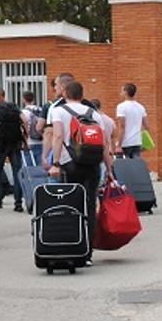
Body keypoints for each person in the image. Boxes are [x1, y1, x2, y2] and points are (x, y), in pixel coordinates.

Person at [47, 79, 117, 266]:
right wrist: (109, 169)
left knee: (70, 205)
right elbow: (104, 144)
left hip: (69, 163)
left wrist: (54, 162)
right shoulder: (93, 112)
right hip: (92, 164)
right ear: (81, 94)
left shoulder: (59, 111)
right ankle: (88, 253)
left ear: (65, 93)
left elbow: (58, 136)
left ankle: (73, 247)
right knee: (90, 205)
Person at [0, 88, 28, 211]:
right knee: (17, 172)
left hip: (0, 145)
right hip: (15, 143)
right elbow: (24, 120)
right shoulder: (13, 106)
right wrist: (25, 138)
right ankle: (18, 203)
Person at [114, 83, 150, 160]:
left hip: (125, 143)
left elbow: (122, 127)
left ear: (126, 92)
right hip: (137, 142)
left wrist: (119, 145)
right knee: (136, 168)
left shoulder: (121, 107)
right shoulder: (141, 107)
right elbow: (147, 126)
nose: (120, 93)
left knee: (125, 169)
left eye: (122, 91)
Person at [22, 90, 46, 167]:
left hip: (29, 142)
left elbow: (22, 128)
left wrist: (24, 141)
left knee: (29, 169)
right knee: (41, 168)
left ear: (23, 99)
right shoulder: (41, 110)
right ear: (33, 99)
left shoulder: (23, 112)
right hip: (41, 141)